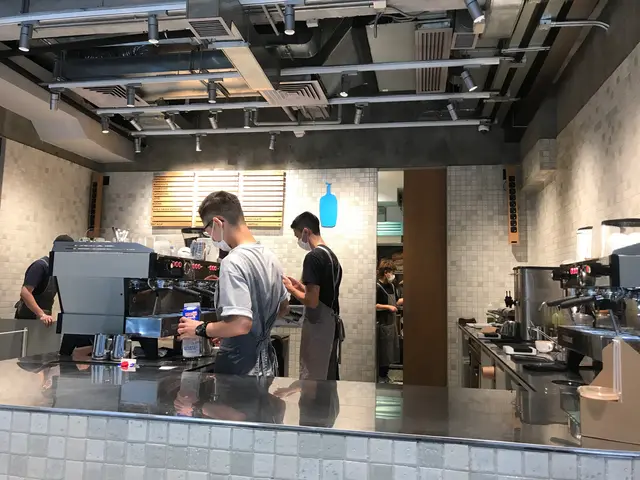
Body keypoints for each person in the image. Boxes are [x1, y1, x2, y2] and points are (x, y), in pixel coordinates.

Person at [178, 191, 289, 377]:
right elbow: (283, 308)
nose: (212, 239)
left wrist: (200, 328)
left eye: (209, 232)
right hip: (266, 368)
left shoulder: (233, 261)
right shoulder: (271, 257)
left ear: (217, 223)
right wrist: (227, 330)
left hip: (239, 370)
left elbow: (240, 325)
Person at [283, 212, 344, 381]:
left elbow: (312, 301)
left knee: (312, 378)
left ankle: (311, 400)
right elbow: (324, 294)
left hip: (318, 327)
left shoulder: (313, 257)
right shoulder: (331, 256)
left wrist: (290, 289)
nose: (299, 241)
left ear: (306, 231)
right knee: (327, 377)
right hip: (330, 325)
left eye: (298, 236)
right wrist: (301, 287)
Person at [15, 235, 74, 324]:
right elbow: (25, 292)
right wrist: (42, 314)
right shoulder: (40, 266)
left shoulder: (56, 269)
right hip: (27, 319)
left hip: (43, 319)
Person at [375, 259, 401, 383]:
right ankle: (381, 377)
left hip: (391, 324)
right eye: (392, 272)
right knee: (384, 353)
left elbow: (395, 301)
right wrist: (388, 307)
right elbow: (374, 305)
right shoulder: (377, 287)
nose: (393, 275)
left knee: (390, 351)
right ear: (386, 272)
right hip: (383, 325)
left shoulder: (391, 286)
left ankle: (385, 375)